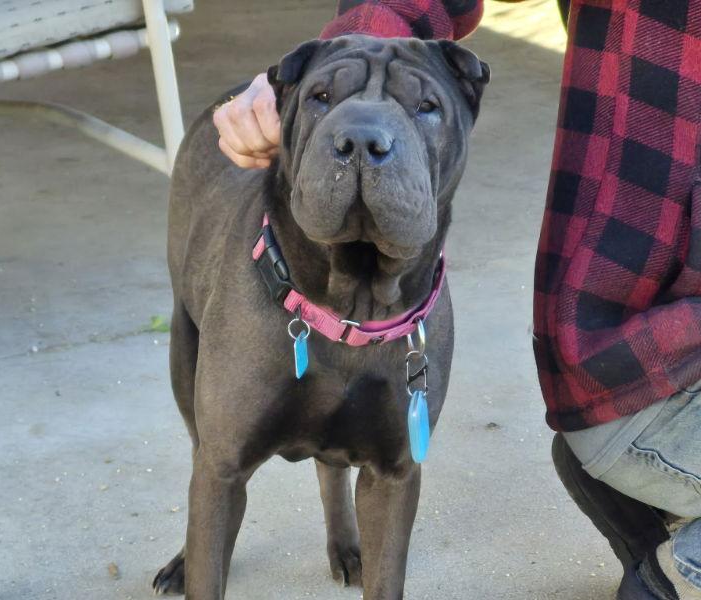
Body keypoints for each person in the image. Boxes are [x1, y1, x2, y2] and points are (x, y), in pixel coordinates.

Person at [212, 1, 701, 598]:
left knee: (390, 461)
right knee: (217, 443)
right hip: (657, 352)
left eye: (422, 107)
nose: (369, 133)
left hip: (638, 336)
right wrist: (346, 51)